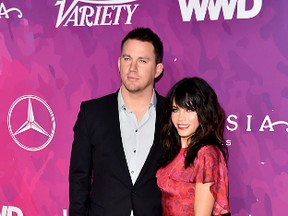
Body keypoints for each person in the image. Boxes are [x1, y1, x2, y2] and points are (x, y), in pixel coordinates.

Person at [69, 27, 165, 216]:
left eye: (143, 61)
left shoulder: (173, 115)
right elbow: (79, 178)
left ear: (158, 69)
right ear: (119, 63)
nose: (133, 68)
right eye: (127, 59)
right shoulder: (92, 113)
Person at [156, 77, 231, 216]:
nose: (181, 118)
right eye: (175, 109)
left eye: (189, 110)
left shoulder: (206, 154)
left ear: (204, 112)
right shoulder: (172, 150)